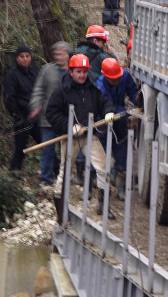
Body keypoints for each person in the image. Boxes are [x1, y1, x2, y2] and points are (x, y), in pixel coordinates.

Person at [46, 53, 117, 221]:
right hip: (69, 137)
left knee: (103, 168)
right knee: (65, 172)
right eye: (78, 72)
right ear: (71, 72)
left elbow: (105, 101)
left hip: (89, 136)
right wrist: (70, 126)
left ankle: (103, 206)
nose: (82, 75)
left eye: (84, 72)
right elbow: (51, 114)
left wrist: (108, 112)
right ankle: (61, 214)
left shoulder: (92, 89)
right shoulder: (62, 91)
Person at [28, 41, 72, 186]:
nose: (57, 57)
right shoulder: (47, 70)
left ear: (67, 54)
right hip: (48, 118)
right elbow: (38, 89)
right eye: (55, 55)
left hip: (66, 118)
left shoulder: (74, 70)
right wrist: (35, 106)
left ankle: (64, 177)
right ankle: (46, 178)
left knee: (66, 150)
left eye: (60, 54)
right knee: (47, 149)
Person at [96, 58, 139, 200]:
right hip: (103, 119)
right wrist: (119, 112)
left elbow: (133, 91)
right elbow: (104, 104)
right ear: (106, 77)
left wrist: (138, 103)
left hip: (120, 118)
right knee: (102, 150)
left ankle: (120, 181)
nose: (117, 82)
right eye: (113, 80)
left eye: (118, 79)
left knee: (122, 146)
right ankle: (101, 183)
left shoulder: (124, 76)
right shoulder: (100, 86)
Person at [3, 45, 41, 177]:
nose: (25, 59)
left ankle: (56, 171)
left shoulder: (35, 72)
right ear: (17, 58)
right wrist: (17, 117)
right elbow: (9, 98)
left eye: (27, 56)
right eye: (22, 56)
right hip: (22, 118)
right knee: (20, 149)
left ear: (31, 57)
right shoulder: (12, 76)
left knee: (46, 144)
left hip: (37, 117)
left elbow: (41, 91)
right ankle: (14, 176)